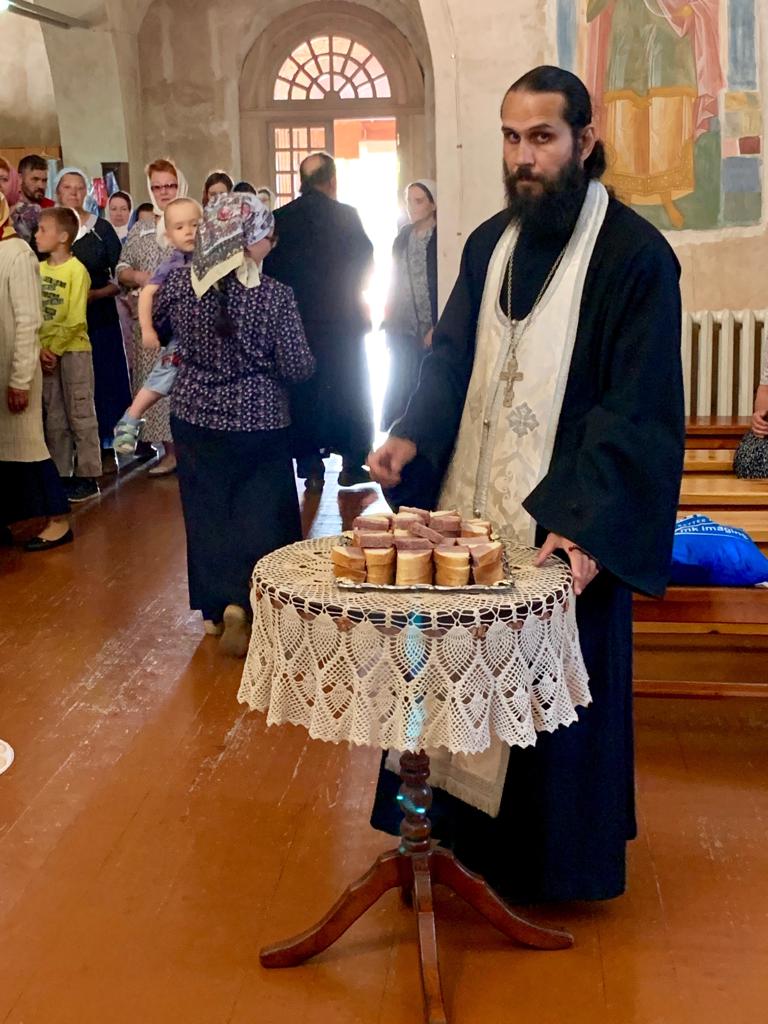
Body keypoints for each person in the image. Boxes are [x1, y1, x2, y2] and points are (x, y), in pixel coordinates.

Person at [367, 66, 685, 904]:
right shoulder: (488, 246)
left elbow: (636, 409)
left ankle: (542, 872)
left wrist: (585, 524)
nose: (523, 157)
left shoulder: (635, 260)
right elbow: (449, 358)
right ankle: (441, 841)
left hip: (559, 530)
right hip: (469, 519)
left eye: (542, 137)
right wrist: (410, 431)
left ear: (586, 139)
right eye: (511, 137)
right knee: (447, 674)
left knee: (549, 708)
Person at [148, 198, 315, 656]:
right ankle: (257, 603)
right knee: (262, 514)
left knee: (207, 513)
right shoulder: (274, 295)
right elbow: (298, 366)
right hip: (259, 421)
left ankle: (216, 608)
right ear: (247, 239)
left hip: (194, 418)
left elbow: (160, 328)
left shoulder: (179, 284)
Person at [113, 193, 274, 452]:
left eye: (195, 224)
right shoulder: (173, 264)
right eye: (179, 227)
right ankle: (131, 418)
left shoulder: (215, 254)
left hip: (214, 335)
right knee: (163, 376)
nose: (189, 232)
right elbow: (148, 293)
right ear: (168, 235)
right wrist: (147, 329)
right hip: (184, 337)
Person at [264, 152, 374, 490]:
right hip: (342, 320)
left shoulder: (280, 218)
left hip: (297, 322)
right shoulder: (346, 216)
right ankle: (351, 463)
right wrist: (355, 294)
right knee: (348, 388)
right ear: (332, 180)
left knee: (303, 391)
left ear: (302, 182)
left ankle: (310, 466)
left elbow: (271, 269)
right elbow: (365, 259)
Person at [0, 193, 71, 551]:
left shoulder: (18, 253)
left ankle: (58, 520)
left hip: (16, 369)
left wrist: (19, 379)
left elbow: (29, 320)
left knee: (29, 449)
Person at [116, 158, 189, 476]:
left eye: (170, 185)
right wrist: (138, 276)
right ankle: (168, 451)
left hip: (186, 320)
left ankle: (189, 450)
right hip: (151, 322)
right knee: (156, 385)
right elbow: (121, 268)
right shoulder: (142, 229)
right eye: (157, 187)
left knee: (185, 383)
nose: (164, 192)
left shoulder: (192, 222)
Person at [56, 168, 132, 473]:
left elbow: (121, 275)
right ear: (58, 191)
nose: (73, 193)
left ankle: (107, 446)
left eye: (79, 188)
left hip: (99, 317)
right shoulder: (50, 227)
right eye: (67, 188)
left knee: (104, 380)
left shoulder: (101, 229)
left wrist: (96, 294)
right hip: (62, 322)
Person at [36, 207, 102, 503]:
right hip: (45, 353)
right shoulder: (38, 270)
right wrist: (41, 348)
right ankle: (60, 473)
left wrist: (55, 348)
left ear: (63, 237)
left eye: (43, 230)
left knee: (80, 411)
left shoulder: (77, 271)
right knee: (54, 415)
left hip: (73, 351)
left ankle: (88, 474)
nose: (37, 235)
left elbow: (76, 317)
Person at [381, 179, 438, 430]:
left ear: (433, 204)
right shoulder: (403, 237)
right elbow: (394, 279)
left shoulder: (440, 238)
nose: (412, 207)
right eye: (409, 201)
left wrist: (438, 324)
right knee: (402, 383)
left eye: (419, 201)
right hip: (403, 325)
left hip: (431, 322)